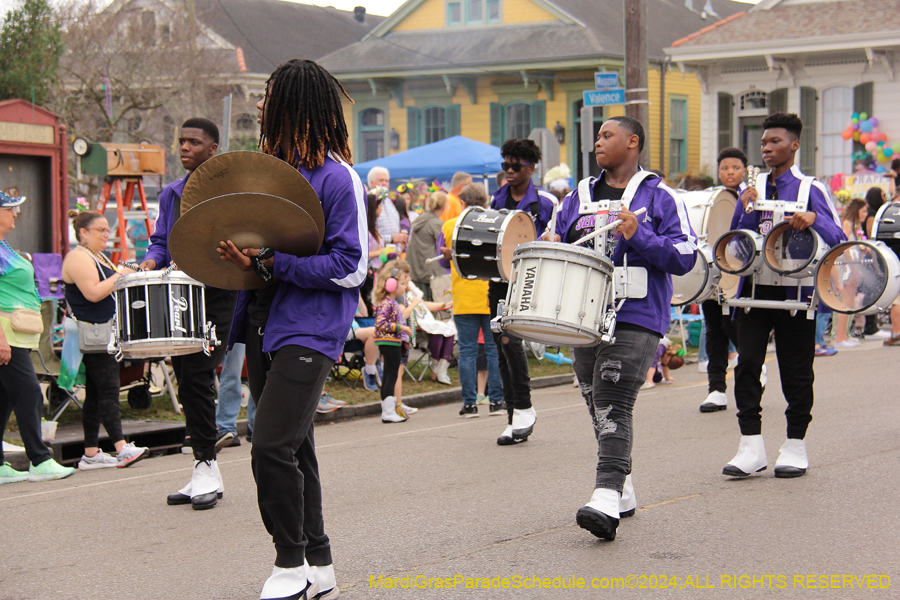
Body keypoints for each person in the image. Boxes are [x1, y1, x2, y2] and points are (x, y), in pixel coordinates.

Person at [217, 58, 365, 600]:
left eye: (270, 96)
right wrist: (245, 260)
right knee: (296, 445)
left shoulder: (338, 177)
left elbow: (351, 266)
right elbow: (258, 261)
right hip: (262, 322)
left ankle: (289, 564)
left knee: (269, 444)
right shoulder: (268, 173)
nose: (259, 105)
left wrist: (276, 262)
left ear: (296, 105)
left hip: (311, 328)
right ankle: (319, 561)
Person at [551, 116, 697, 540]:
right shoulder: (576, 197)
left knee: (613, 398)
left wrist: (641, 235)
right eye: (597, 136)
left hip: (637, 313)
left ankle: (605, 495)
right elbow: (556, 242)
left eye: (607, 135)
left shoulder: (660, 196)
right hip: (581, 315)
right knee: (596, 401)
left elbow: (685, 257)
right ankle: (624, 487)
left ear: (633, 142)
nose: (598, 141)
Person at [725, 112, 845, 480]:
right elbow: (735, 243)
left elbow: (838, 237)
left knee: (796, 372)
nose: (767, 148)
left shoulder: (811, 188)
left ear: (794, 145)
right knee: (746, 367)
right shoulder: (753, 187)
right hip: (755, 293)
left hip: (797, 293)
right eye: (763, 143)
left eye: (775, 142)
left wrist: (813, 218)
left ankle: (795, 444)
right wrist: (743, 209)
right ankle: (750, 445)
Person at [140, 117, 236, 510]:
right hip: (180, 296)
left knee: (198, 375)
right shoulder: (171, 194)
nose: (184, 148)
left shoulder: (231, 189)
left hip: (219, 296)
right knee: (189, 379)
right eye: (181, 141)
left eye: (193, 142)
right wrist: (149, 261)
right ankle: (203, 468)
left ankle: (207, 466)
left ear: (213, 148)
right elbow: (161, 240)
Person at [0, 193, 77, 484]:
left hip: (17, 333)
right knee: (30, 392)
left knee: (4, 398)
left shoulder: (4, 246)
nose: (16, 213)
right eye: (10, 209)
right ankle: (40, 459)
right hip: (6, 334)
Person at [61, 210, 147, 469]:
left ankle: (90, 452)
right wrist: (121, 273)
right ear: (83, 233)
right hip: (93, 331)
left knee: (97, 393)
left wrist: (127, 270)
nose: (105, 235)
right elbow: (93, 293)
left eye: (107, 230)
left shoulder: (97, 256)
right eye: (100, 230)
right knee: (109, 389)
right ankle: (121, 448)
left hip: (103, 331)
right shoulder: (77, 257)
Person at [489, 138, 556, 444]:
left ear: (532, 168)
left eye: (516, 166)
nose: (510, 171)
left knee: (510, 341)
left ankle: (524, 408)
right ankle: (514, 417)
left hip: (527, 281)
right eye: (506, 165)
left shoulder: (544, 203)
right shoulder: (496, 198)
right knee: (501, 346)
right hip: (498, 282)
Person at [437, 184, 504, 418]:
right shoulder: (495, 223)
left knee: (467, 352)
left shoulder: (449, 226)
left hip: (464, 297)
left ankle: (470, 403)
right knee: (494, 351)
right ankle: (496, 401)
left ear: (462, 204)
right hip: (490, 295)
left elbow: (443, 263)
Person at [699, 147, 745, 412]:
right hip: (715, 272)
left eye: (735, 168)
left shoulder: (753, 197)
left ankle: (753, 363)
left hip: (741, 277)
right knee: (714, 329)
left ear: (745, 171)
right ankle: (716, 389)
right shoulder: (714, 198)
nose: (730, 172)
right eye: (725, 168)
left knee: (733, 325)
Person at [373, 260, 420, 422]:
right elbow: (381, 324)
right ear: (391, 284)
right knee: (390, 377)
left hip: (392, 342)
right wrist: (402, 328)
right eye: (401, 284)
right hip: (390, 342)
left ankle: (389, 409)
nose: (405, 287)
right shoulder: (387, 304)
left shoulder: (389, 303)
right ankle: (388, 412)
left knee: (389, 376)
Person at [833, 199, 868, 349]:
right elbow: (844, 247)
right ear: (857, 210)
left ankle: (845, 335)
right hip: (848, 266)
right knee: (845, 303)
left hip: (854, 264)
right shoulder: (847, 223)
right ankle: (840, 338)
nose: (866, 214)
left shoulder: (855, 225)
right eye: (864, 211)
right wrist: (854, 268)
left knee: (850, 303)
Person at [407, 191, 448, 301]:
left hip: (416, 267)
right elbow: (445, 245)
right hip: (430, 271)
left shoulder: (419, 219)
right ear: (444, 206)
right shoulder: (436, 223)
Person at [368, 167, 409, 249]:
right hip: (377, 254)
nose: (384, 184)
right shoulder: (369, 202)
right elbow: (368, 235)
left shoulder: (389, 201)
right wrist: (391, 238)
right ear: (372, 183)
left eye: (386, 181)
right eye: (381, 180)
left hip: (393, 251)